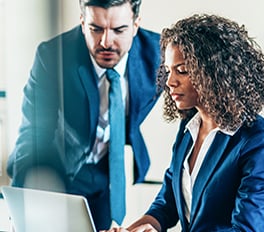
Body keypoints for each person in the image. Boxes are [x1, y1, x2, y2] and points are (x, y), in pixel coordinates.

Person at [107, 13, 264, 232]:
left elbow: (245, 229)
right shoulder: (189, 127)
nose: (170, 82)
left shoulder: (260, 141)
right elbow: (166, 204)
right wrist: (133, 230)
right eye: (168, 71)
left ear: (214, 73)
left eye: (182, 71)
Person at [6, 0, 160, 230]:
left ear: (136, 25)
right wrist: (25, 203)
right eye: (95, 28)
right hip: (60, 171)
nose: (105, 42)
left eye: (119, 30)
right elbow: (34, 134)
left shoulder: (159, 56)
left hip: (109, 173)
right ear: (82, 22)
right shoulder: (52, 57)